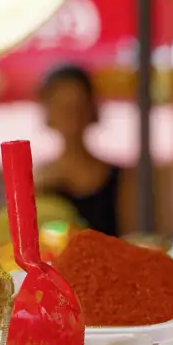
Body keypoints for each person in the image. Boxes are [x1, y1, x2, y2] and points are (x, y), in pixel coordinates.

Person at [35, 64, 138, 236]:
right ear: (49, 112)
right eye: (63, 108)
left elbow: (134, 238)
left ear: (91, 109)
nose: (72, 117)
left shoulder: (121, 178)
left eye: (78, 106)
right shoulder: (39, 180)